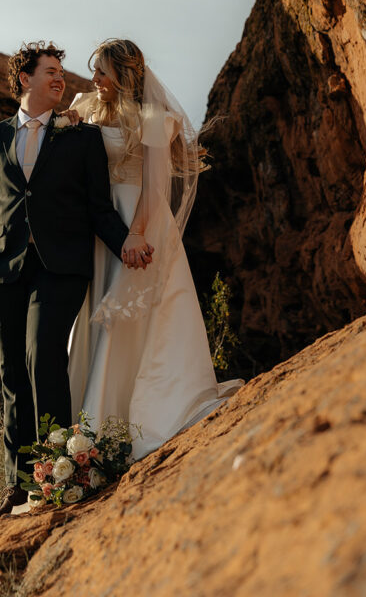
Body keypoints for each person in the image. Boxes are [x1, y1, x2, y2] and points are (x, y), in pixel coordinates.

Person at [0, 41, 150, 518]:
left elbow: (98, 208)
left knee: (44, 356)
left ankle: (57, 476)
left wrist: (127, 242)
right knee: (12, 375)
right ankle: (17, 487)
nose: (61, 78)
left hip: (60, 266)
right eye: (50, 71)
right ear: (25, 79)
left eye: (62, 71)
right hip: (1, 271)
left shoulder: (79, 138)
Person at [68, 39, 242, 459]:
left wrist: (136, 235)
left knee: (140, 317)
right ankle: (89, 428)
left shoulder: (153, 118)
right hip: (100, 224)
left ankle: (136, 418)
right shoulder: (84, 108)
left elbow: (154, 185)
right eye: (94, 71)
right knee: (96, 316)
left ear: (124, 74)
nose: (94, 79)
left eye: (102, 72)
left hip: (138, 220)